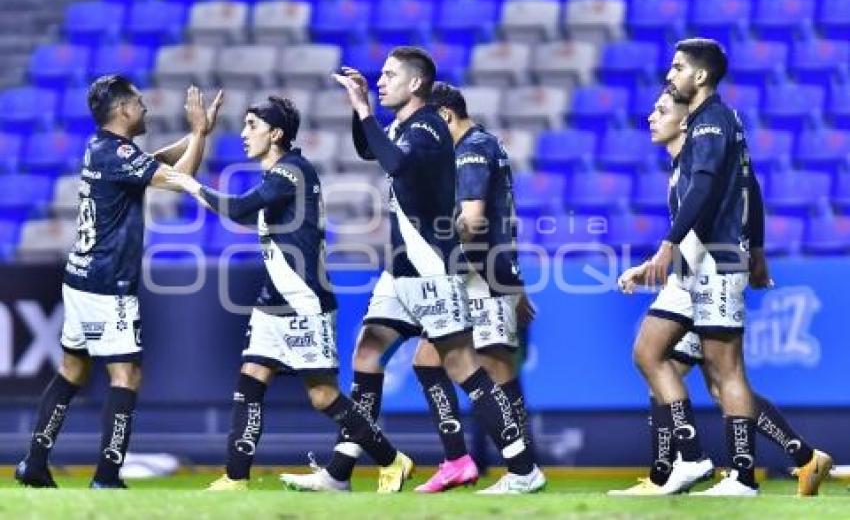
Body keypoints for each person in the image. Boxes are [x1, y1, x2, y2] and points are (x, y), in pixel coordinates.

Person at [280, 47, 543, 494]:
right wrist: (358, 107)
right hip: (400, 271)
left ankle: (523, 469)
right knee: (367, 352)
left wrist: (365, 110)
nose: (380, 81)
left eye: (388, 75)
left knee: (463, 366)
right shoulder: (406, 125)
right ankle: (340, 473)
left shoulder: (429, 125)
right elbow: (370, 149)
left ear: (416, 83)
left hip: (430, 271)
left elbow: (395, 163)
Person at [166, 95, 411, 492]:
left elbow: (243, 210)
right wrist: (197, 139)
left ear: (275, 133)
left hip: (305, 303)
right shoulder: (277, 175)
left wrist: (194, 187)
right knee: (251, 377)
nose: (244, 134)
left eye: (251, 126)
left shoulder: (292, 172)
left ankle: (392, 459)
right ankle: (236, 477)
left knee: (322, 396)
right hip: (272, 302)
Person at [608, 90, 833, 497]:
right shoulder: (683, 165)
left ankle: (690, 468)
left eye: (661, 110)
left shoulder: (699, 158)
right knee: (687, 375)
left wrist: (658, 265)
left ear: (684, 121)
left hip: (704, 273)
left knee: (686, 368)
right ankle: (802, 457)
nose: (650, 116)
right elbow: (752, 188)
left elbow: (718, 211)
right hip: (692, 274)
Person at [14, 75, 223, 489]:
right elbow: (180, 180)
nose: (145, 108)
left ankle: (34, 463)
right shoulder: (119, 154)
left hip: (78, 278)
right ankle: (107, 476)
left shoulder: (103, 149)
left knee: (72, 369)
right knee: (126, 375)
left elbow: (155, 162)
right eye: (140, 102)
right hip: (109, 285)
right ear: (124, 110)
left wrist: (193, 136)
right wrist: (199, 134)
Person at [410, 82, 540, 493]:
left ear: (445, 116)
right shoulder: (487, 144)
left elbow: (473, 221)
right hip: (488, 273)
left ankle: (521, 470)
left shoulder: (469, 150)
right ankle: (460, 460)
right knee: (428, 362)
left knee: (497, 370)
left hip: (479, 275)